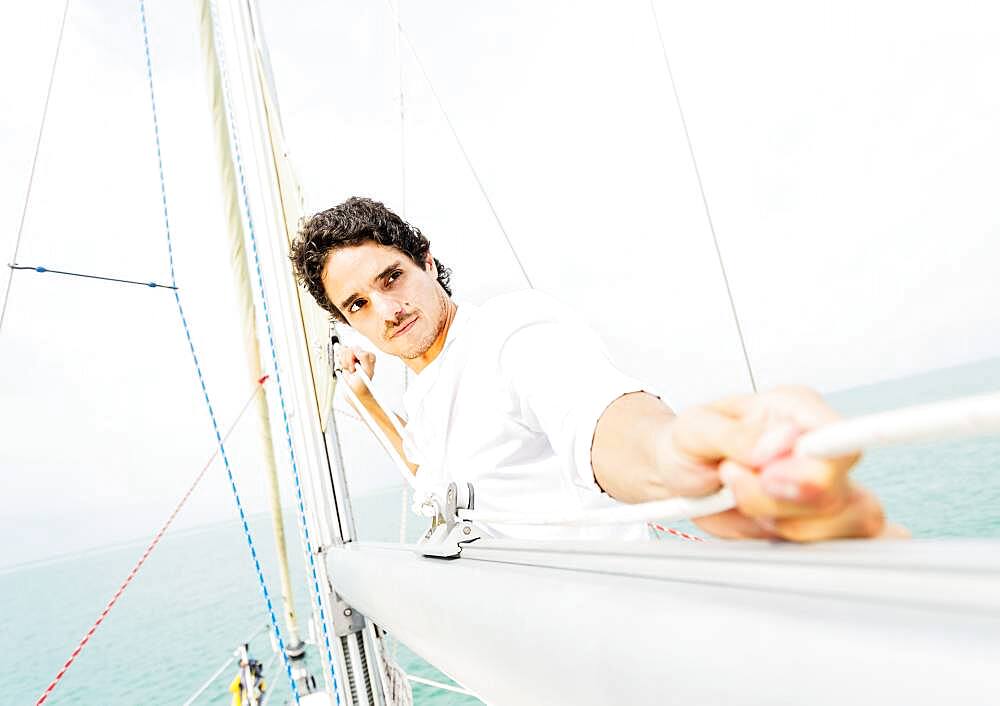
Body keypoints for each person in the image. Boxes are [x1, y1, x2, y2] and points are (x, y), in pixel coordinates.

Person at [290, 197, 893, 542]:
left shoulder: (511, 332)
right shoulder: (421, 392)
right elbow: (428, 471)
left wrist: (672, 458)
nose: (386, 310)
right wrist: (364, 399)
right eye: (358, 305)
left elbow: (599, 420)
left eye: (390, 277)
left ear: (425, 261)